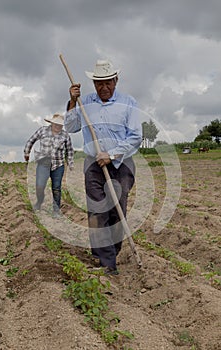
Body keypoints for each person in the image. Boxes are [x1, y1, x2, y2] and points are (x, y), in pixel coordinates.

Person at [64, 60, 142, 274]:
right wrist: (72, 102)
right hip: (93, 164)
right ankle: (107, 263)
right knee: (98, 211)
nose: (104, 87)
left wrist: (112, 154)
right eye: (99, 83)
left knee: (117, 211)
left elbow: (136, 136)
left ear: (115, 81)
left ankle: (111, 252)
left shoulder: (129, 103)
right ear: (94, 83)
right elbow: (70, 127)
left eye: (108, 82)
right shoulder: (84, 102)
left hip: (122, 163)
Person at [24, 113, 74, 217]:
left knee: (56, 188)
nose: (58, 127)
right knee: (39, 186)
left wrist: (70, 163)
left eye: (60, 125)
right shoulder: (42, 130)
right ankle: (39, 202)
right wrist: (27, 153)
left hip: (58, 164)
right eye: (56, 124)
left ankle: (56, 210)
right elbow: (31, 141)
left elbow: (69, 150)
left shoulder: (65, 135)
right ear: (51, 123)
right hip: (43, 163)